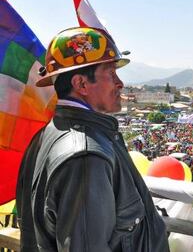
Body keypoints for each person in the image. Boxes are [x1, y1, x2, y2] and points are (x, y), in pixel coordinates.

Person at [16, 27, 169, 251]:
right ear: (81, 84)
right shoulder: (86, 156)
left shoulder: (45, 136)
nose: (120, 83)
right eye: (111, 73)